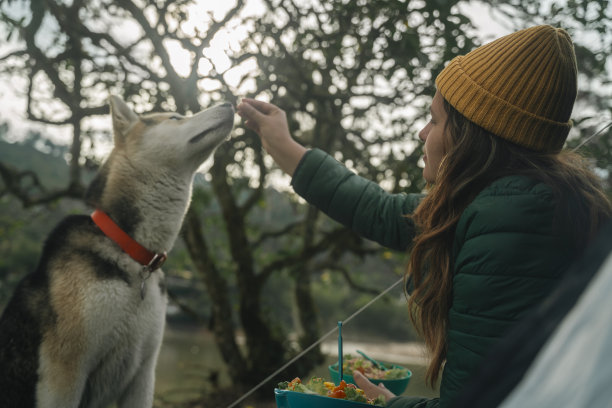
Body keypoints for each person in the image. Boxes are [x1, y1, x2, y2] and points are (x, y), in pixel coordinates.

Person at [237, 25, 612, 407]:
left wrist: (382, 405)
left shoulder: (514, 222)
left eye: (434, 120)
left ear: (468, 136)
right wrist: (282, 144)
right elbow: (381, 211)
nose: (421, 133)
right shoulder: (509, 200)